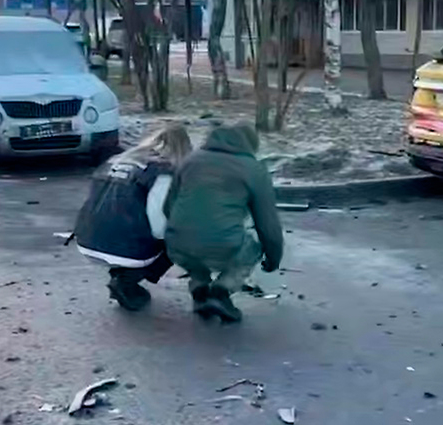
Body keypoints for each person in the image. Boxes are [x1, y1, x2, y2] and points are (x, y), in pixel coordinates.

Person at [165, 122, 284, 323]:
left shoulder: (190, 160)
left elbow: (168, 206)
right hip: (221, 244)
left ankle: (200, 288)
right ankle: (221, 292)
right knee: (252, 247)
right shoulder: (253, 169)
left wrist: (182, 231)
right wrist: (273, 259)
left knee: (193, 247)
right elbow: (268, 225)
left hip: (176, 244)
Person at [73, 124, 193, 310]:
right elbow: (159, 225)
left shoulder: (114, 162)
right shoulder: (162, 172)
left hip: (87, 238)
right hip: (124, 247)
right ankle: (127, 280)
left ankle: (121, 274)